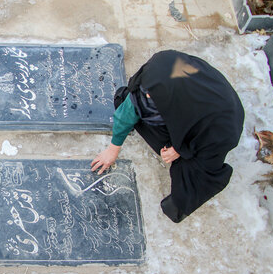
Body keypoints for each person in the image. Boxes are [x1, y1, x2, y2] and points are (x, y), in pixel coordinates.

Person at [91, 50, 245, 223]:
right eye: (147, 90)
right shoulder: (158, 77)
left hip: (212, 133)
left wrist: (180, 149)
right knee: (128, 99)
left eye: (152, 95)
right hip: (185, 110)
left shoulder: (218, 122)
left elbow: (203, 135)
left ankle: (178, 205)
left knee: (192, 172)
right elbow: (127, 112)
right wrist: (113, 150)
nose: (147, 95)